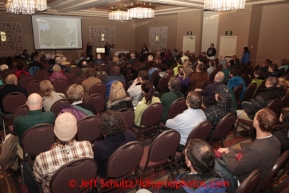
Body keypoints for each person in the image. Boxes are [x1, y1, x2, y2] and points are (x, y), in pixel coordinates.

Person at [215, 108, 280, 192]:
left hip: (243, 184)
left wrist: (230, 153)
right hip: (256, 179)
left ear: (256, 123)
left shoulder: (257, 149)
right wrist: (230, 149)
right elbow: (249, 152)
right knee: (223, 157)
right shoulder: (275, 140)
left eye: (255, 116)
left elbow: (235, 170)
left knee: (212, 161)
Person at [33, 113, 94, 193]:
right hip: (81, 188)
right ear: (76, 130)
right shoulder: (87, 146)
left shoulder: (42, 159)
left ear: (54, 131)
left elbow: (38, 179)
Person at [158, 139, 226, 193]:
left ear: (189, 163)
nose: (184, 152)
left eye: (186, 154)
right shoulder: (218, 178)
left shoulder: (183, 186)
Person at [92, 110, 135, 177]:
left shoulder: (99, 147)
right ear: (121, 122)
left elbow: (94, 163)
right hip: (126, 167)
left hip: (107, 175)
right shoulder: (130, 134)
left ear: (103, 127)